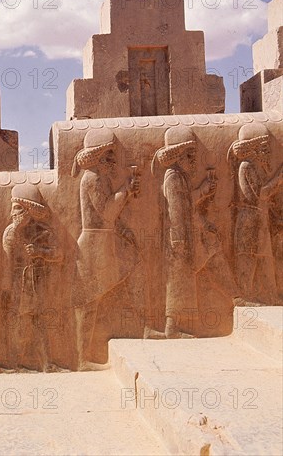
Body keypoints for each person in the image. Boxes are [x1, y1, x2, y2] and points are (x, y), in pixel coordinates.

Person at [71, 128, 139, 369]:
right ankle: (82, 358)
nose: (113, 161)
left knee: (100, 297)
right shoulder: (93, 178)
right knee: (89, 303)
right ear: (99, 157)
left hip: (101, 242)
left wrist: (125, 194)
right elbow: (108, 212)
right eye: (109, 156)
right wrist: (125, 191)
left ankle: (137, 328)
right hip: (93, 245)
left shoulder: (98, 178)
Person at [151, 126, 216, 338]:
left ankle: (176, 327)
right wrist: (179, 238)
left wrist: (204, 190)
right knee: (177, 281)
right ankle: (171, 328)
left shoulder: (181, 176)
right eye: (190, 155)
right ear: (178, 154)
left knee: (183, 280)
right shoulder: (173, 177)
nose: (193, 159)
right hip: (177, 238)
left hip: (182, 236)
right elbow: (176, 209)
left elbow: (186, 203)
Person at [2, 183, 63, 372]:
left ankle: (45, 363)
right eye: (13, 208)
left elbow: (58, 254)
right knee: (20, 323)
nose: (13, 213)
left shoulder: (42, 231)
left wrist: (40, 252)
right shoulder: (10, 232)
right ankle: (17, 363)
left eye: (18, 208)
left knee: (39, 322)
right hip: (18, 285)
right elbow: (9, 258)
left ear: (28, 209)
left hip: (37, 283)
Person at [228, 123, 282, 303]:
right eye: (264, 147)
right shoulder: (246, 166)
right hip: (250, 218)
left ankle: (271, 297)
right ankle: (243, 296)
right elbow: (261, 195)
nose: (267, 151)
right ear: (254, 147)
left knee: (263, 257)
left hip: (258, 217)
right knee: (248, 257)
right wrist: (279, 178)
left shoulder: (256, 165)